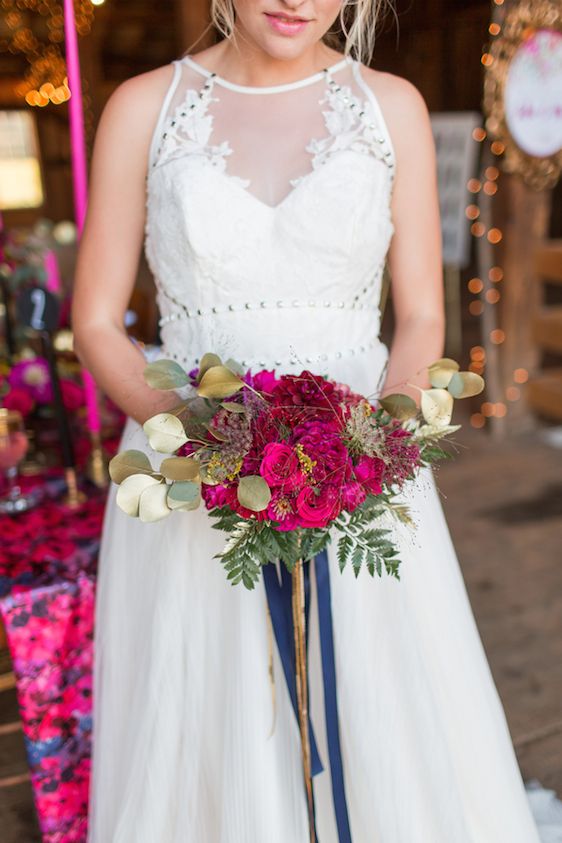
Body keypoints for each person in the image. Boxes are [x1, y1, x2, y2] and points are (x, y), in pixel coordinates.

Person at [73, 2, 544, 841]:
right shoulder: (145, 106)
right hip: (194, 475)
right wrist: (195, 432)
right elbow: (100, 322)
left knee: (380, 703)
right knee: (212, 715)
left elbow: (424, 318)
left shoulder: (387, 103)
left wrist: (372, 447)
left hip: (357, 460)